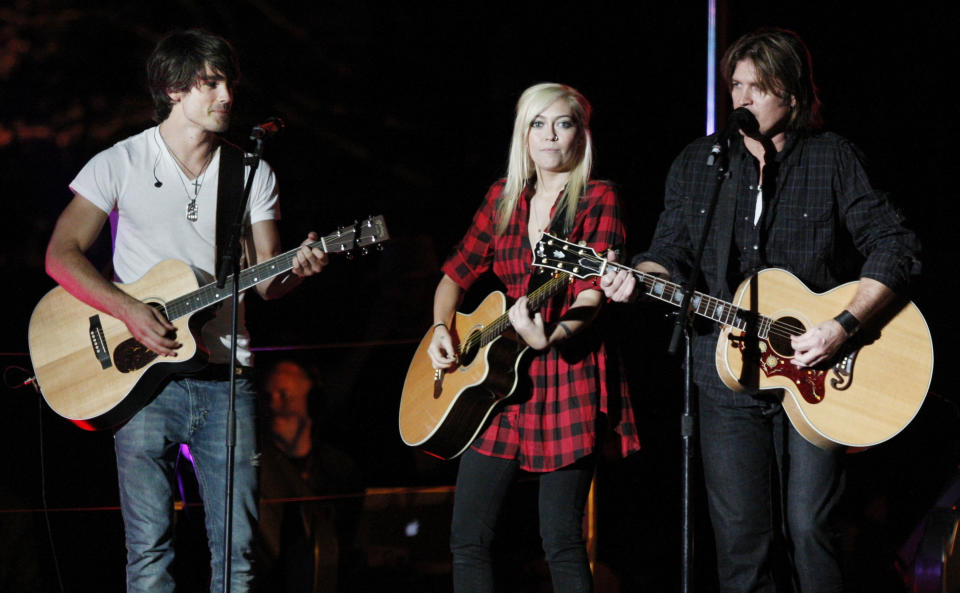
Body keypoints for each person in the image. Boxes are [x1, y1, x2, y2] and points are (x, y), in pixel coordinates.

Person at [601, 28, 921, 592]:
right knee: (741, 542)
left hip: (821, 370)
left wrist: (842, 326)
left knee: (809, 527)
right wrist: (637, 278)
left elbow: (896, 246)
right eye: (736, 86)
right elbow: (670, 254)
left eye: (758, 87)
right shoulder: (700, 163)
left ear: (793, 96)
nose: (742, 100)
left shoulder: (832, 158)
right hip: (724, 373)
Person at [44, 29, 329, 593]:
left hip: (228, 379)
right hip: (140, 383)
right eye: (211, 82)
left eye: (229, 83)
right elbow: (60, 254)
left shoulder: (252, 173)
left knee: (238, 560)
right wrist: (127, 309)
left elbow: (267, 283)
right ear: (174, 89)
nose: (226, 95)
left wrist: (296, 269)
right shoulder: (120, 162)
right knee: (148, 556)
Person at [427, 82, 641, 592]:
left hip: (567, 373)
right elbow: (454, 275)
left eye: (562, 123)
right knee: (467, 539)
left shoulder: (598, 197)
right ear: (522, 135)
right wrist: (441, 327)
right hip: (495, 384)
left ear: (580, 135)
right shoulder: (503, 197)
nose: (549, 136)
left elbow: (591, 297)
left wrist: (550, 337)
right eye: (537, 124)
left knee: (563, 541)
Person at [257, 359, 363, 593]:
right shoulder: (257, 467)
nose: (274, 405)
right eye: (268, 397)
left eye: (285, 395)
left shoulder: (339, 468)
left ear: (311, 403)